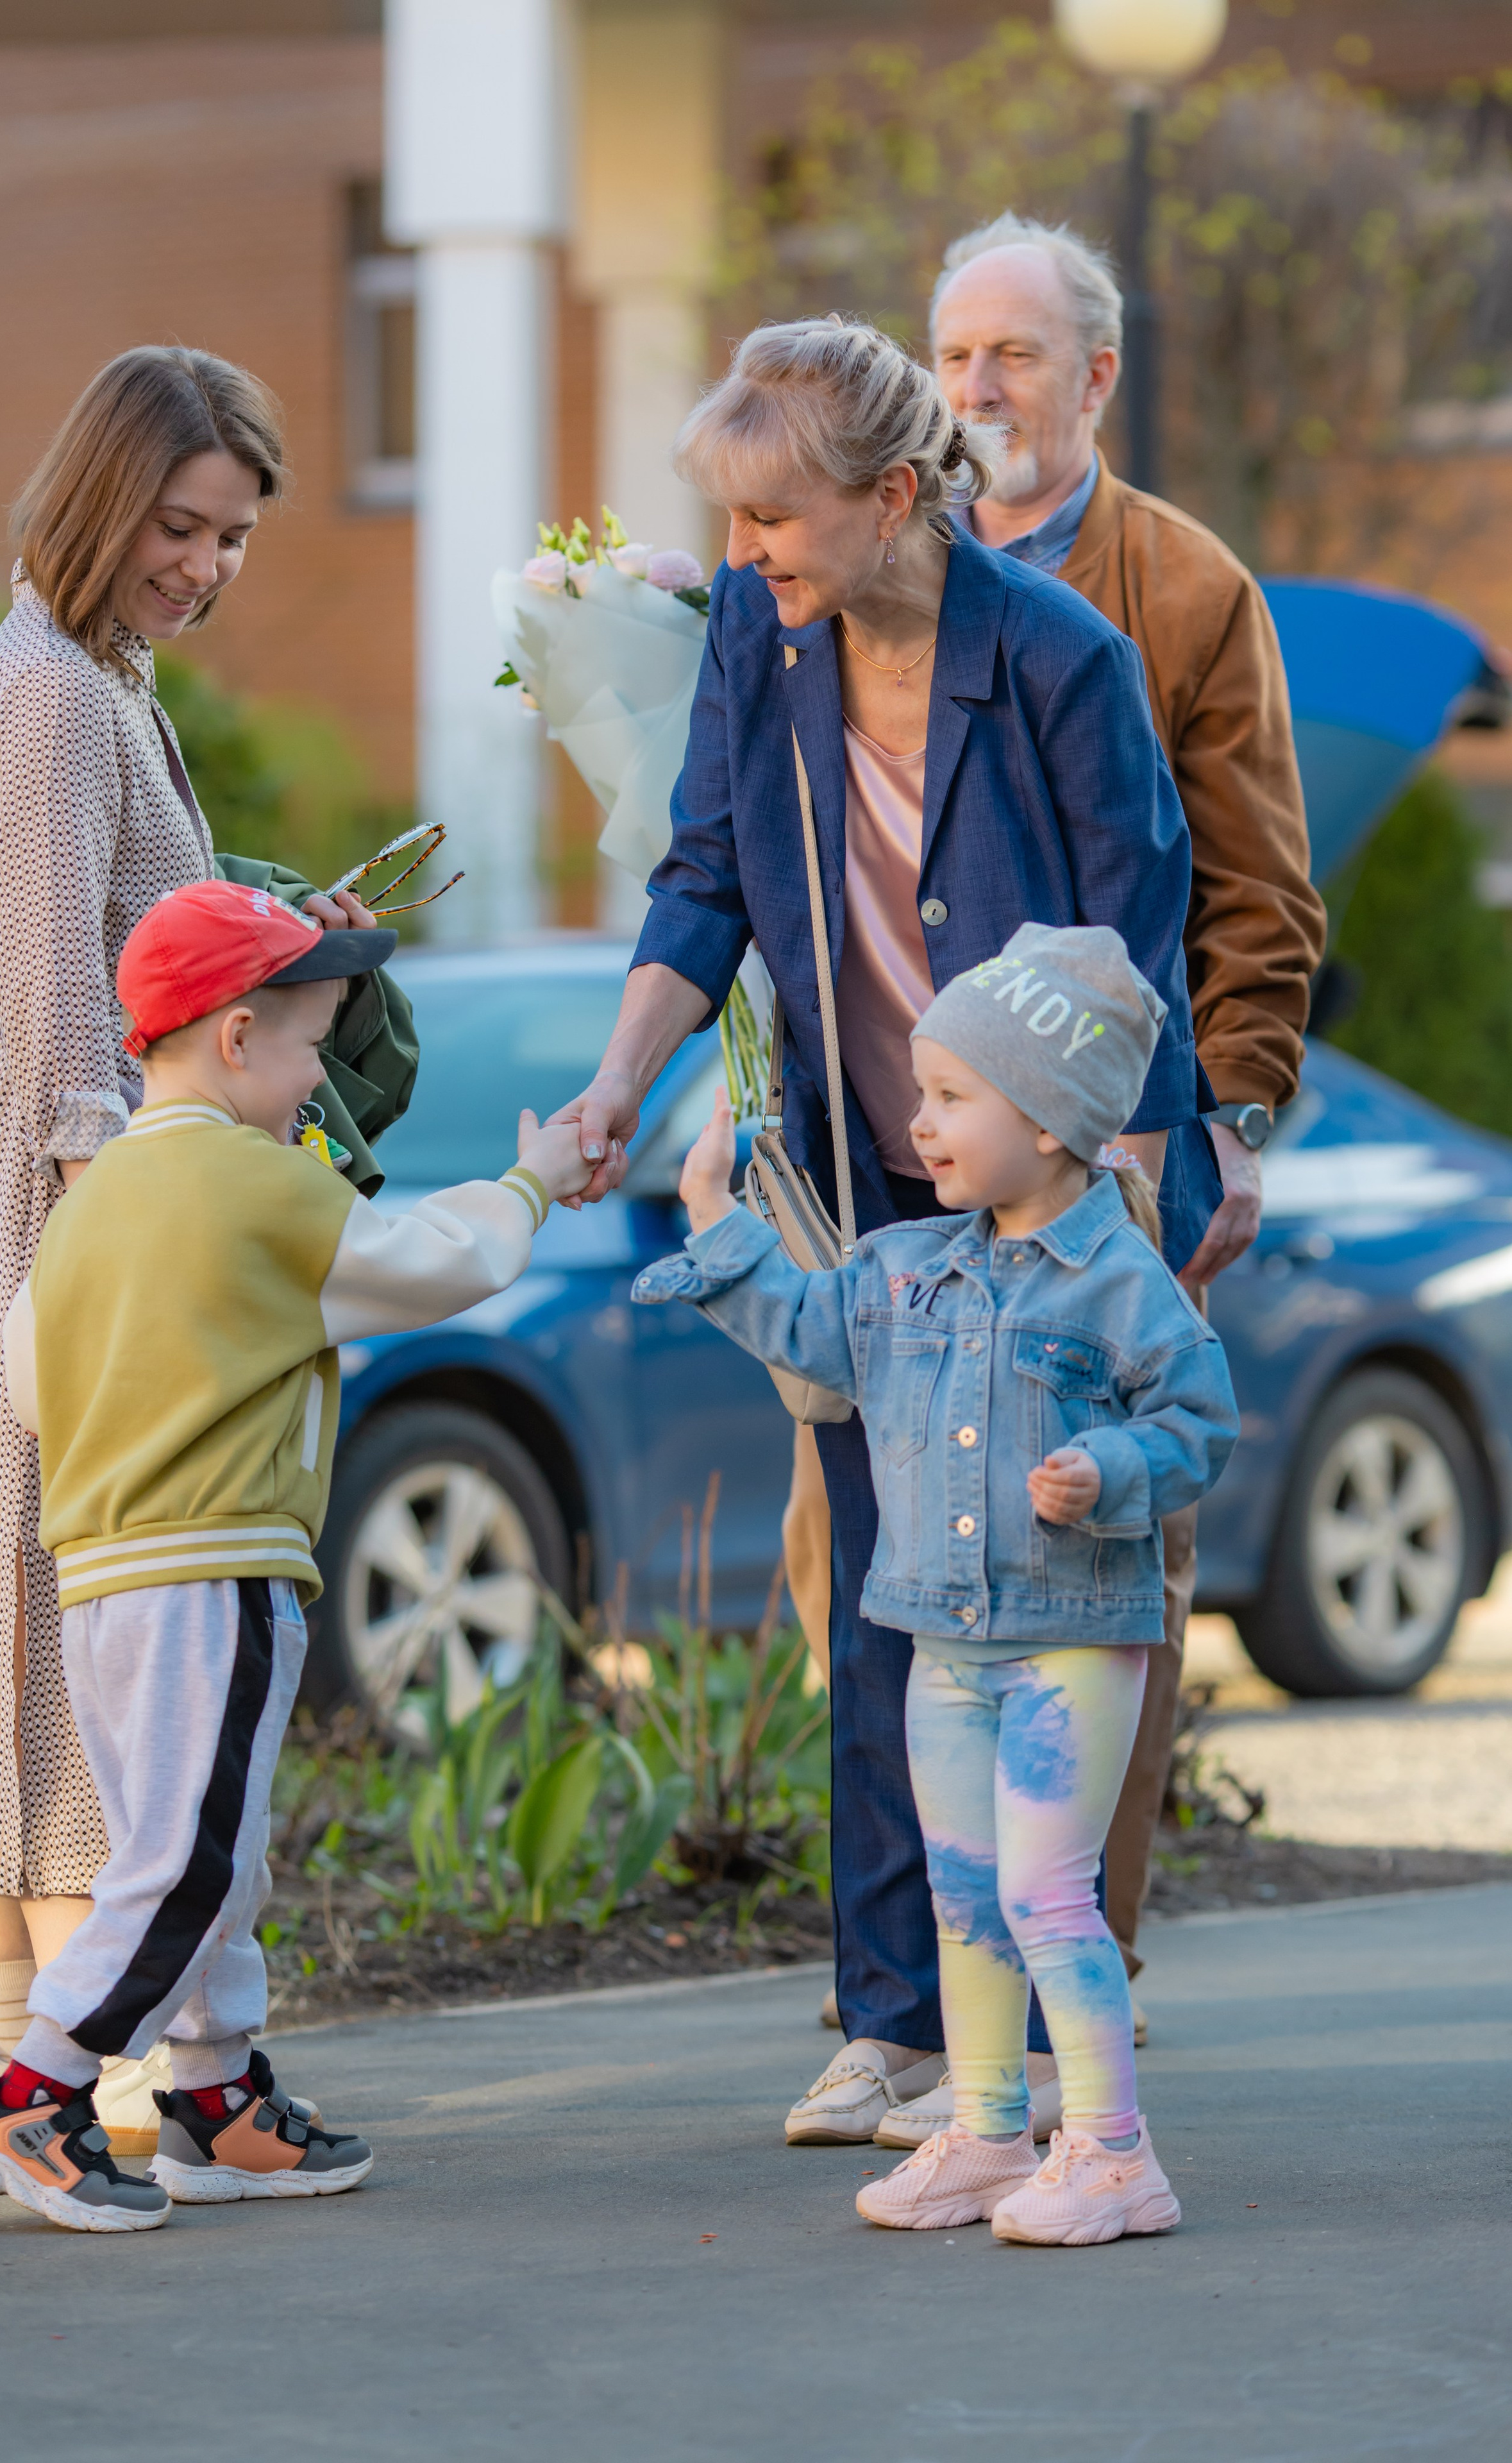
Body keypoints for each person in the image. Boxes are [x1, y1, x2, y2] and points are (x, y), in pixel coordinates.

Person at [553, 316, 1219, 2144]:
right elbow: (702, 874)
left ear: (895, 497)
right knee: (880, 1577)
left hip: (1055, 1194)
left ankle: (1025, 2040)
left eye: (778, 514)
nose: (752, 548)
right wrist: (622, 1081)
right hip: (864, 1173)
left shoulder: (1064, 659)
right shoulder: (764, 651)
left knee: (1025, 1595)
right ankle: (894, 2022)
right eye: (739, 519)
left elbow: (1136, 947)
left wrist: (1103, 1203)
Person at [0, 346, 405, 2156]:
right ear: (103, 498)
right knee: (56, 1634)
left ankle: (96, 2071)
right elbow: (51, 997)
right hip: (54, 1195)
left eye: (235, 535)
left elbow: (129, 952)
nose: (206, 563)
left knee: (59, 1638)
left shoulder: (99, 673)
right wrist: (134, 1232)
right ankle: (58, 2075)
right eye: (181, 525)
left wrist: (279, 950)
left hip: (71, 1196)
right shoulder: (50, 698)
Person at [0, 880, 590, 2231]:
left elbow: (28, 1383)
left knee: (201, 1841)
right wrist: (534, 1182)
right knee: (187, 1860)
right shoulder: (256, 1179)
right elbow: (423, 1260)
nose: (313, 1083)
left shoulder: (94, 1201)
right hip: (215, 1565)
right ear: (234, 1038)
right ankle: (32, 2091)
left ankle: (213, 2098)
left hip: (104, 1576)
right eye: (308, 1047)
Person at [637, 924, 1238, 2244]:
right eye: (922, 1093)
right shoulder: (902, 1267)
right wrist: (717, 1229)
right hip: (939, 1650)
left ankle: (1113, 2153)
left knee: (1041, 1894)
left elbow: (1199, 1422)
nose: (920, 1123)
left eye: (951, 1096)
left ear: (1052, 1115)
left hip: (1072, 1642)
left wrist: (1110, 1462)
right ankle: (981, 2134)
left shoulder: (1120, 1280)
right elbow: (809, 1344)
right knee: (964, 1901)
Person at [927, 214, 1325, 2011]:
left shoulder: (1185, 586)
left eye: (1013, 354)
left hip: (1112, 1168)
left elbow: (1259, 895)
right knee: (899, 1558)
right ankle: (922, 1986)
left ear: (1096, 376)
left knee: (1101, 1563)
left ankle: (1089, 1964)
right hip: (911, 1158)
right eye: (952, 357)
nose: (977, 388)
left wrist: (1225, 1113)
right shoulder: (884, 567)